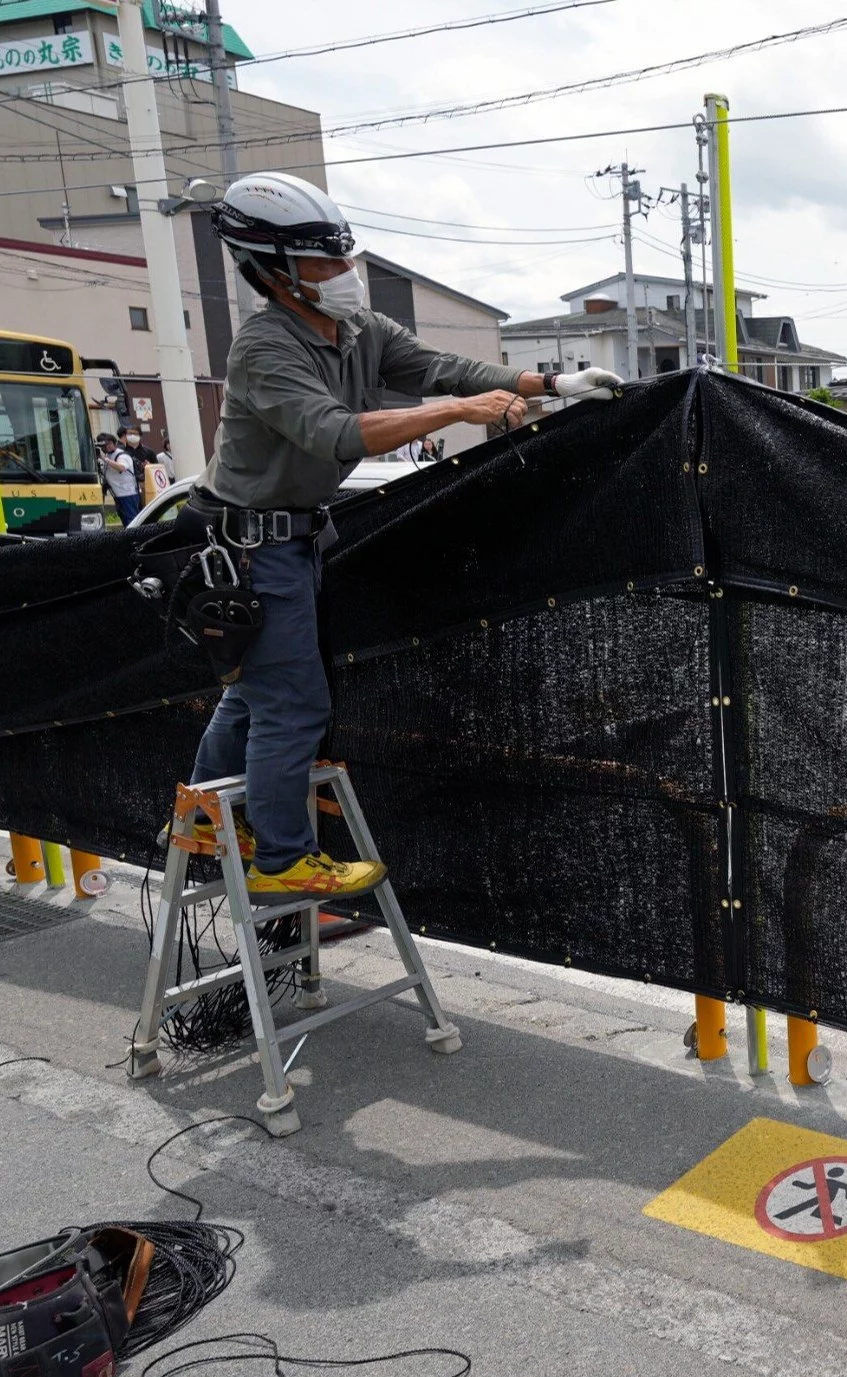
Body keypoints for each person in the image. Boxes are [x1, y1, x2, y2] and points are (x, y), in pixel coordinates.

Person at [186, 171, 622, 903]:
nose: (344, 275)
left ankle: (202, 814)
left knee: (255, 692)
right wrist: (458, 411)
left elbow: (439, 366)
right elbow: (332, 434)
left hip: (289, 540)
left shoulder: (357, 330)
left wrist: (548, 385)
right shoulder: (265, 349)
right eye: (325, 264)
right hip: (249, 550)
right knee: (293, 705)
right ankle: (282, 862)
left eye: (344, 258)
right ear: (274, 273)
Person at [96, 432, 143, 525]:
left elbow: (121, 467)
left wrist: (103, 458)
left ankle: (136, 538)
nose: (107, 446)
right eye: (104, 444)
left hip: (128, 493)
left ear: (115, 443)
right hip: (118, 494)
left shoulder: (122, 455)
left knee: (132, 520)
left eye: (109, 443)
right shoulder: (108, 456)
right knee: (125, 519)